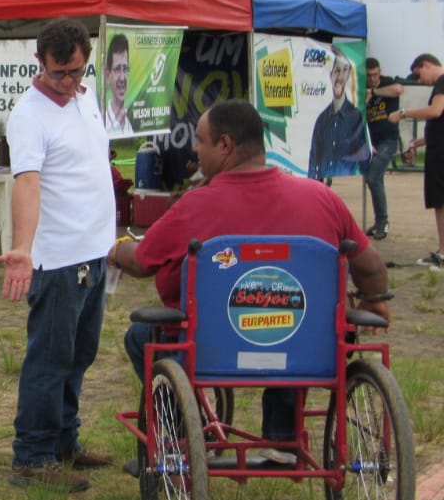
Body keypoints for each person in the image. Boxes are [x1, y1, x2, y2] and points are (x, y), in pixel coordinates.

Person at [111, 99, 391, 469]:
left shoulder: (194, 206)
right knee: (290, 321)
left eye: (200, 141)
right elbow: (370, 265)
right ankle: (281, 439)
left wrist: (116, 250)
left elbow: (143, 262)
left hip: (211, 347)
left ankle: (184, 434)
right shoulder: (322, 199)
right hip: (305, 347)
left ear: (224, 146)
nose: (195, 149)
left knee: (139, 335)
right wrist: (374, 302)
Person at [0, 17, 115, 493]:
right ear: (39, 62)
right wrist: (22, 248)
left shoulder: (85, 99)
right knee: (49, 357)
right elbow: (27, 182)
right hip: (58, 259)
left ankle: (65, 439)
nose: (69, 82)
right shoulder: (28, 115)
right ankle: (32, 455)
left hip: (94, 253)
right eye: (60, 72)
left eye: (77, 71)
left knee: (79, 354)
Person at [390, 53, 444, 267]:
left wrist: (403, 113)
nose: (420, 81)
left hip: (440, 154)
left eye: (419, 75)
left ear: (427, 64)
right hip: (436, 148)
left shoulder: (442, 81)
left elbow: (435, 111)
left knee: (440, 202)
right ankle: (441, 250)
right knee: (439, 202)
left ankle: (443, 255)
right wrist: (417, 143)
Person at [308, 50, 369, 180]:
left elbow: (363, 156)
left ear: (348, 75)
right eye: (337, 71)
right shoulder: (321, 120)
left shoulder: (355, 116)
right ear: (330, 75)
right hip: (323, 187)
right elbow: (313, 160)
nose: (340, 76)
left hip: (346, 185)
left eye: (344, 70)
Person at [362, 58, 404, 239]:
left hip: (388, 140)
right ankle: (379, 220)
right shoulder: (362, 88)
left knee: (373, 178)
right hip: (372, 142)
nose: (372, 78)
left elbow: (398, 90)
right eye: (369, 76)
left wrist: (374, 91)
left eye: (375, 75)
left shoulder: (387, 83)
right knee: (374, 179)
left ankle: (383, 221)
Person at [103, 33, 133, 135]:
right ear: (108, 75)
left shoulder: (129, 126)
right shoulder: (102, 124)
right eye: (117, 69)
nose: (122, 77)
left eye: (125, 69)